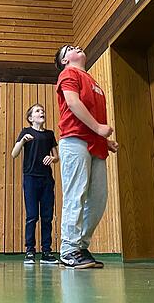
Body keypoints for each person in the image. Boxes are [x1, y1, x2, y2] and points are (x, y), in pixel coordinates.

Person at [55, 45, 118, 269]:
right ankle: (69, 249)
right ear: (64, 60)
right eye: (69, 49)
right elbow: (72, 103)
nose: (76, 47)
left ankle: (80, 246)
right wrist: (99, 129)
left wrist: (105, 140)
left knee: (98, 199)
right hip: (74, 141)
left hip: (95, 143)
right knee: (76, 194)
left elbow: (93, 114)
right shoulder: (68, 74)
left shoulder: (92, 81)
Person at [12, 103, 59, 264]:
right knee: (32, 216)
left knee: (47, 217)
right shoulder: (26, 132)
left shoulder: (49, 134)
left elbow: (56, 157)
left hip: (46, 180)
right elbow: (14, 154)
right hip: (31, 178)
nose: (42, 112)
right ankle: (30, 251)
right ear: (31, 118)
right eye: (37, 111)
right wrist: (22, 141)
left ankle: (46, 252)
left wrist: (53, 158)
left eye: (43, 110)